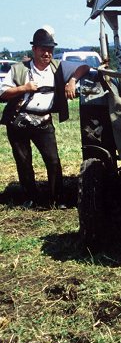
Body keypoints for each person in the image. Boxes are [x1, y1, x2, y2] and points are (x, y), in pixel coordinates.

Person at [0, 27, 89, 209]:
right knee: (24, 162)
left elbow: (85, 67)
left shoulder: (58, 67)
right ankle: (30, 198)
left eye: (50, 50)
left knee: (53, 160)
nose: (47, 53)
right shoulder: (18, 69)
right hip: (19, 121)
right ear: (34, 50)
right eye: (43, 49)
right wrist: (24, 88)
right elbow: (3, 93)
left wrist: (72, 81)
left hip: (43, 121)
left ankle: (58, 198)